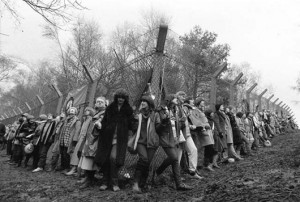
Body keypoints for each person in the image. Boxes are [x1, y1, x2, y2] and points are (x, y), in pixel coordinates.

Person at [95, 89, 134, 192]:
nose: (120, 99)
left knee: (113, 158)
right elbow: (104, 121)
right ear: (116, 97)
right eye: (119, 97)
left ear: (125, 99)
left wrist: (136, 124)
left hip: (119, 140)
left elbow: (131, 125)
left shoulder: (128, 110)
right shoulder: (110, 108)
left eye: (122, 98)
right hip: (107, 138)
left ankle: (114, 183)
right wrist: (100, 125)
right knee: (106, 159)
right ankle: (104, 182)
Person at [153, 94, 193, 191]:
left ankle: (156, 173)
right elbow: (158, 128)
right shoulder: (161, 111)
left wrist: (181, 121)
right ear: (170, 100)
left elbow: (175, 124)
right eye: (175, 98)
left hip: (174, 138)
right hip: (165, 138)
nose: (177, 100)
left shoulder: (174, 110)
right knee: (175, 159)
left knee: (172, 158)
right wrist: (164, 121)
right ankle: (179, 183)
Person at [131, 95, 159, 192]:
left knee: (147, 163)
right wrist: (134, 117)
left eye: (145, 101)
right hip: (140, 142)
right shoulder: (137, 115)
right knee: (144, 159)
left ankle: (143, 184)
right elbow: (133, 128)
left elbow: (159, 127)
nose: (142, 102)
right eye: (141, 101)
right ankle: (135, 183)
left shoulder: (155, 114)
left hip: (152, 142)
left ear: (149, 104)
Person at [77, 97, 107, 188]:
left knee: (91, 158)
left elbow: (102, 124)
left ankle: (90, 179)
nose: (99, 103)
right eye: (97, 101)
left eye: (101, 102)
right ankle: (87, 177)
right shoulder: (97, 112)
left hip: (97, 139)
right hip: (90, 138)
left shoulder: (105, 113)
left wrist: (100, 125)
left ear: (105, 104)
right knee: (86, 157)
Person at [176, 92, 202, 178]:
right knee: (178, 155)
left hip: (187, 133)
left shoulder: (182, 108)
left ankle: (192, 171)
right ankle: (176, 175)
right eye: (181, 96)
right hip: (180, 134)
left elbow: (185, 121)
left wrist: (190, 126)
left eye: (184, 96)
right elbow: (175, 120)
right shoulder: (177, 107)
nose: (183, 97)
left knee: (193, 150)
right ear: (177, 97)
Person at [193, 99, 218, 172]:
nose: (203, 105)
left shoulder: (201, 111)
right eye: (202, 103)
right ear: (198, 104)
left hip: (207, 132)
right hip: (203, 132)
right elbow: (197, 121)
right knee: (209, 148)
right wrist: (204, 126)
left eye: (203, 103)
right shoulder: (196, 111)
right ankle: (205, 164)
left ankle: (206, 164)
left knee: (209, 148)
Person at [58, 107, 81, 173]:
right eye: (70, 111)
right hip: (62, 139)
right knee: (62, 153)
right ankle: (62, 166)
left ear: (75, 112)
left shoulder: (77, 121)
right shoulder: (65, 120)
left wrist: (75, 140)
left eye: (73, 111)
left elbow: (77, 131)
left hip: (69, 140)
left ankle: (67, 167)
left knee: (66, 154)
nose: (71, 112)